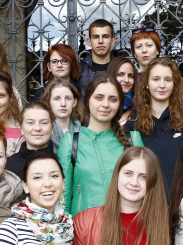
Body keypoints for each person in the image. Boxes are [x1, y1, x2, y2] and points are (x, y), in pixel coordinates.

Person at [58, 75, 143, 217]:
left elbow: (145, 190)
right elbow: (63, 197)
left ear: (119, 104)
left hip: (125, 227)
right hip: (84, 229)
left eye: (113, 99)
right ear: (87, 100)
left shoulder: (133, 139)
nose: (105, 104)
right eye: (99, 97)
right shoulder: (70, 141)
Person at [129, 57, 183, 198]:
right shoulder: (133, 125)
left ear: (174, 84)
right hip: (145, 203)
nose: (162, 85)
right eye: (156, 79)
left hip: (182, 203)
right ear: (147, 84)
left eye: (167, 80)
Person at [6, 102, 55, 180]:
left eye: (43, 123)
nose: (37, 128)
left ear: (52, 129)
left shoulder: (63, 162)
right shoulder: (9, 165)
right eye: (30, 123)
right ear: (21, 129)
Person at [42, 79, 84, 152]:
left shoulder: (83, 131)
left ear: (74, 102)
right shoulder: (42, 131)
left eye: (68, 98)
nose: (63, 104)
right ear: (49, 102)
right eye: (57, 99)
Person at [79, 19, 118, 92]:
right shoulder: (80, 68)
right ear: (89, 42)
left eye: (105, 36)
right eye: (96, 37)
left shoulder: (120, 67)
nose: (100, 41)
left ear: (113, 41)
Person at [107, 57, 137, 127]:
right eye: (120, 74)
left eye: (130, 76)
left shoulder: (139, 108)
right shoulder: (102, 106)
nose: (126, 80)